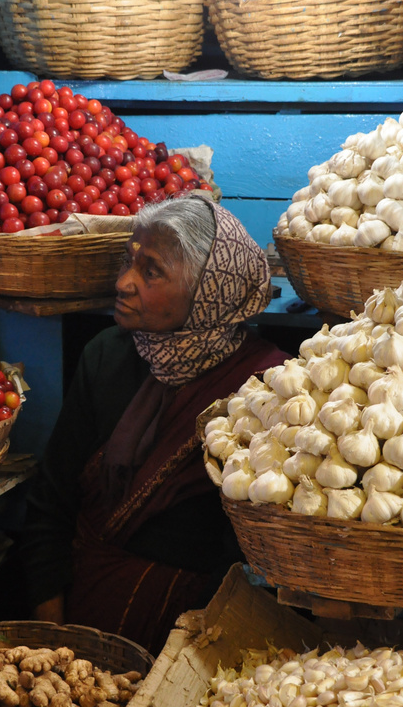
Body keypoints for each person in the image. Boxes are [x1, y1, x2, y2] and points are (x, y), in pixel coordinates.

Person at [20, 194, 288, 654]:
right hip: (71, 616)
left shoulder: (265, 388)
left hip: (190, 637)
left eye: (151, 271)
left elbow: (242, 558)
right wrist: (55, 643)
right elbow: (51, 502)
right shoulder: (107, 355)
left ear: (210, 291)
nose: (123, 283)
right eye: (129, 261)